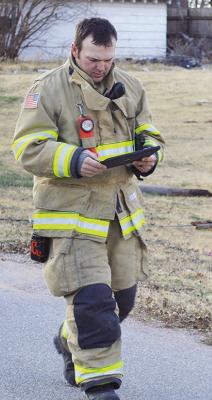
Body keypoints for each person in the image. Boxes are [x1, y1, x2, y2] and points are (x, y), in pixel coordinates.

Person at [12, 18, 165, 400]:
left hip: (118, 212)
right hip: (72, 215)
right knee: (92, 303)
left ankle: (70, 339)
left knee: (121, 301)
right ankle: (100, 386)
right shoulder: (47, 89)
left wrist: (149, 157)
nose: (101, 66)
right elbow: (28, 147)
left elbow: (149, 131)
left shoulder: (130, 85)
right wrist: (75, 160)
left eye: (108, 59)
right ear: (75, 50)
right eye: (94, 58)